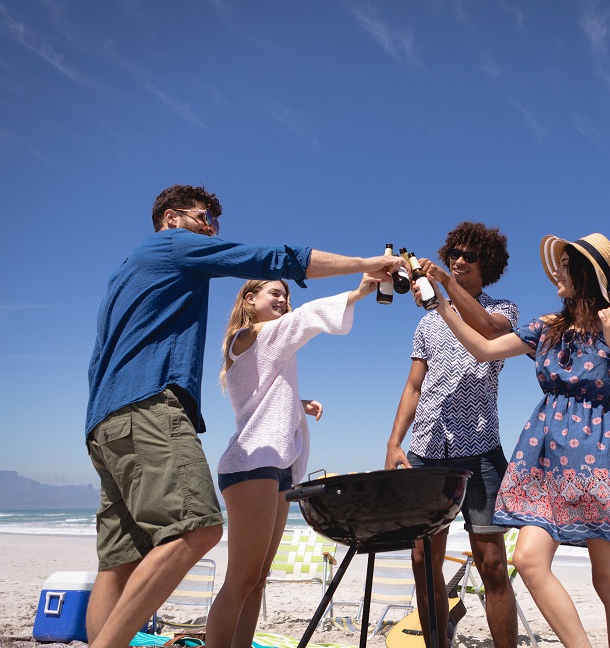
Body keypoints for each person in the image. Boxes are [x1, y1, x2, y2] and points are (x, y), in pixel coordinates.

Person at [84, 184, 404, 648]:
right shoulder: (177, 250)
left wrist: (299, 405)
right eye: (202, 219)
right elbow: (274, 259)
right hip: (151, 408)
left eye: (215, 223)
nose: (211, 231)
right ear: (172, 219)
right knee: (198, 530)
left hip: (107, 421)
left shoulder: (125, 274)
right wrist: (363, 269)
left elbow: (100, 357)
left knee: (120, 561)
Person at [428, 233, 610, 648]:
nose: (557, 272)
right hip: (544, 454)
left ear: (589, 273)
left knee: (608, 582)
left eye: (567, 265)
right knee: (528, 561)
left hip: (599, 454)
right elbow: (483, 348)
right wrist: (441, 300)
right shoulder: (548, 327)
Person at [205, 274, 378, 648]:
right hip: (251, 464)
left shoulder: (273, 345)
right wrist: (359, 292)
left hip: (280, 465)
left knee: (258, 577)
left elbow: (259, 399)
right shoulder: (245, 337)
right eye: (275, 293)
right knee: (241, 577)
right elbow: (303, 319)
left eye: (286, 295)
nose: (283, 300)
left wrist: (298, 405)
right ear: (249, 299)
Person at [384, 221, 519, 648]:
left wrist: (443, 285)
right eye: (454, 254)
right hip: (427, 452)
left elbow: (489, 330)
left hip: (479, 452)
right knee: (424, 559)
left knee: (492, 563)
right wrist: (393, 442)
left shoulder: (505, 310)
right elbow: (413, 386)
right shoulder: (427, 323)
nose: (458, 260)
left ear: (488, 264)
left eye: (469, 255)